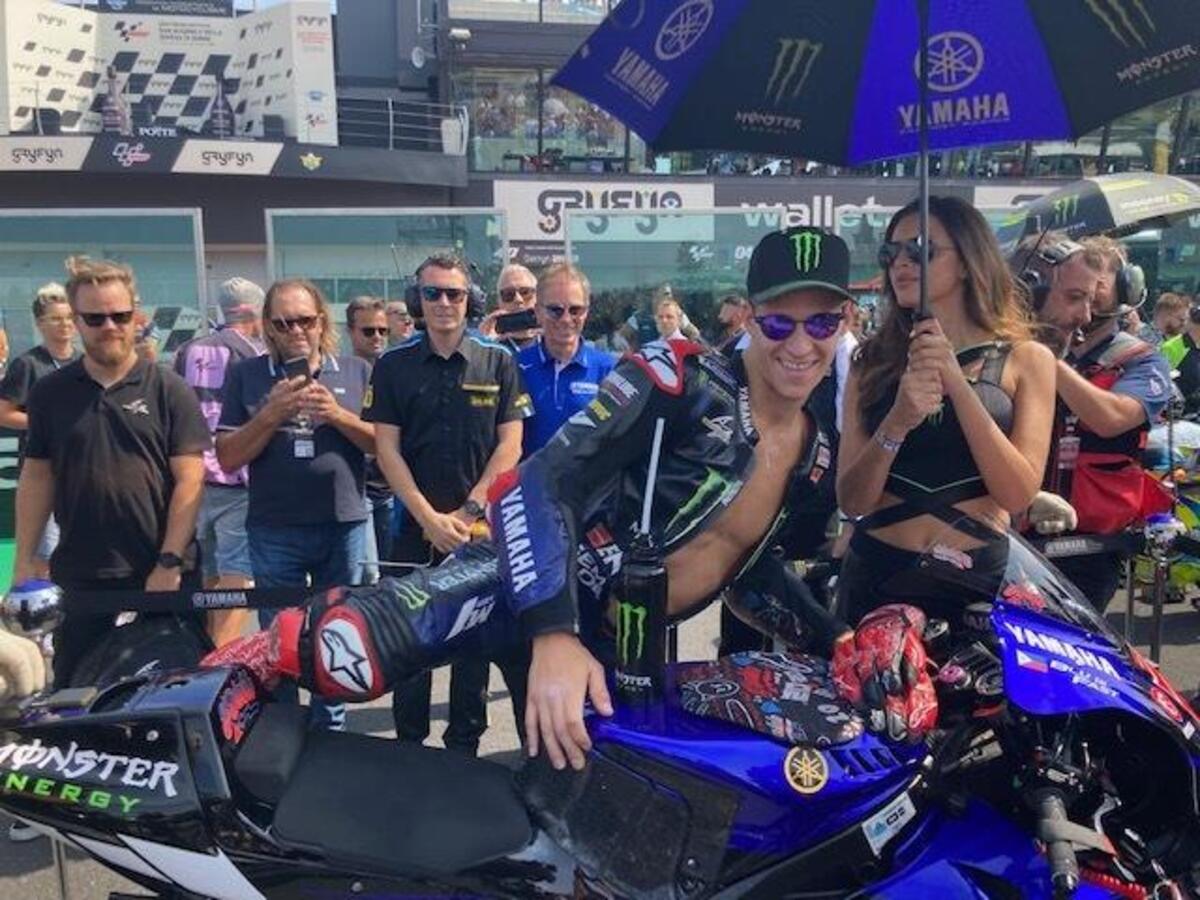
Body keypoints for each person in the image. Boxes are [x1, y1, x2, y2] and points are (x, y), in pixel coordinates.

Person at [207, 227, 940, 769]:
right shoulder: (678, 378)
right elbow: (541, 481)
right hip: (524, 584)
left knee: (599, 804)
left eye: (822, 322)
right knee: (351, 647)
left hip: (618, 645)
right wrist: (553, 634)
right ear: (748, 317)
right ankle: (218, 681)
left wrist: (832, 639)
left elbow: (744, 571)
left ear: (847, 324)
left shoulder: (814, 451)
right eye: (781, 321)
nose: (801, 344)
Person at [836, 196, 1057, 626]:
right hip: (878, 574)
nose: (901, 262)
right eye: (890, 252)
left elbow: (1017, 495)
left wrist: (956, 383)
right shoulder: (871, 362)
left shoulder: (1026, 359)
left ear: (968, 261)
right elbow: (853, 499)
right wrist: (897, 421)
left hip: (977, 583)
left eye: (921, 249)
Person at [14, 258, 210, 678]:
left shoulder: (169, 389)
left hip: (161, 572)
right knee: (75, 695)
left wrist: (170, 561)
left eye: (120, 316)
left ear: (136, 317)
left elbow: (191, 479)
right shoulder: (50, 393)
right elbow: (37, 476)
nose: (110, 326)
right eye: (95, 318)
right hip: (83, 574)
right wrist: (24, 559)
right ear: (76, 321)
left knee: (173, 693)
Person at [366, 253, 530, 756]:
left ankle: (464, 750)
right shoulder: (392, 364)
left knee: (472, 644)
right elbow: (386, 449)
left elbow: (511, 446)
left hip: (476, 530)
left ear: (469, 299)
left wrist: (468, 513)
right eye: (432, 293)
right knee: (407, 640)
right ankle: (410, 748)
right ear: (417, 298)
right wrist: (427, 517)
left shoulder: (498, 360)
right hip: (411, 527)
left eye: (453, 293)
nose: (443, 302)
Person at [216, 279, 375, 731]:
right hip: (275, 527)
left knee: (335, 632)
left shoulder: (356, 371)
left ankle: (330, 732)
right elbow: (227, 457)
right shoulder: (246, 375)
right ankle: (283, 729)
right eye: (283, 323)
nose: (296, 331)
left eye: (304, 320)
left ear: (321, 321)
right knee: (278, 636)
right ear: (268, 327)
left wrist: (337, 415)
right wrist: (271, 414)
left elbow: (381, 445)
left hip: (342, 523)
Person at [1033, 235, 1172, 610]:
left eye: (1096, 290)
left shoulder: (1142, 361)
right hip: (1021, 532)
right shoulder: (1027, 350)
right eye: (1074, 292)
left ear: (1124, 290)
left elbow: (1111, 418)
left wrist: (1045, 359)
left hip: (1092, 546)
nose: (1087, 303)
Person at [173, 277, 266, 647]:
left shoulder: (186, 350)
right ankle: (221, 657)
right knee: (238, 573)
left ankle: (210, 648)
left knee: (211, 571)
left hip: (193, 476)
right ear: (253, 313)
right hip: (238, 477)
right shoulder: (254, 354)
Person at [0, 283, 80, 577]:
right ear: (39, 323)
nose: (65, 325)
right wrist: (47, 423)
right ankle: (42, 599)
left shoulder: (84, 363)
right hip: (42, 471)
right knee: (46, 551)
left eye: (69, 317)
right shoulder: (28, 364)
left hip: (81, 471)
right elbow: (4, 413)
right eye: (56, 319)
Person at [517, 264, 615, 456]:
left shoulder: (609, 369)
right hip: (529, 474)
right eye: (556, 310)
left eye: (575, 310)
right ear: (537, 312)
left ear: (586, 312)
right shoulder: (514, 367)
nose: (566, 319)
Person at [346, 295, 393, 581]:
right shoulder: (341, 374)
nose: (377, 337)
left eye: (383, 330)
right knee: (367, 576)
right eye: (368, 331)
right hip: (356, 490)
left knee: (390, 573)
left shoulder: (396, 370)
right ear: (351, 332)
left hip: (390, 489)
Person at [479, 264, 541, 352]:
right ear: (499, 301)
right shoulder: (492, 347)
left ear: (537, 296)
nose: (518, 300)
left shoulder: (553, 340)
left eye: (525, 292)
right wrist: (485, 344)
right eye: (508, 294)